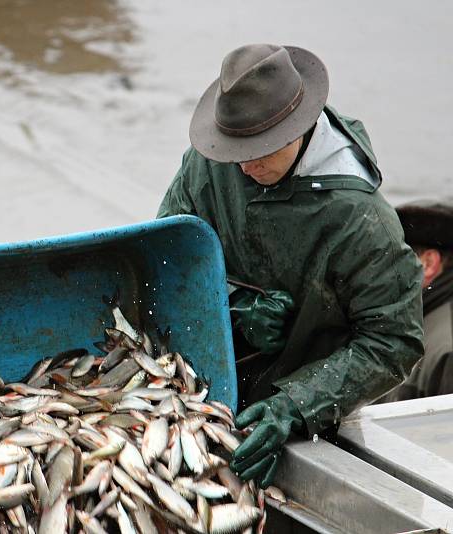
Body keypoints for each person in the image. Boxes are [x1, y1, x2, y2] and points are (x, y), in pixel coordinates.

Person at [157, 44, 423, 487]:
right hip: (202, 389)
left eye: (260, 151)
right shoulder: (210, 162)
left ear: (297, 129)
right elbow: (169, 256)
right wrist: (234, 304)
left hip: (305, 410)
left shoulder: (361, 219)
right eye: (234, 150)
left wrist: (296, 406)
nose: (245, 165)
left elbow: (394, 340)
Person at [379, 199, 453, 402]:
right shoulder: (416, 321)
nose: (375, 271)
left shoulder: (445, 351)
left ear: (428, 263)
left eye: (389, 256)